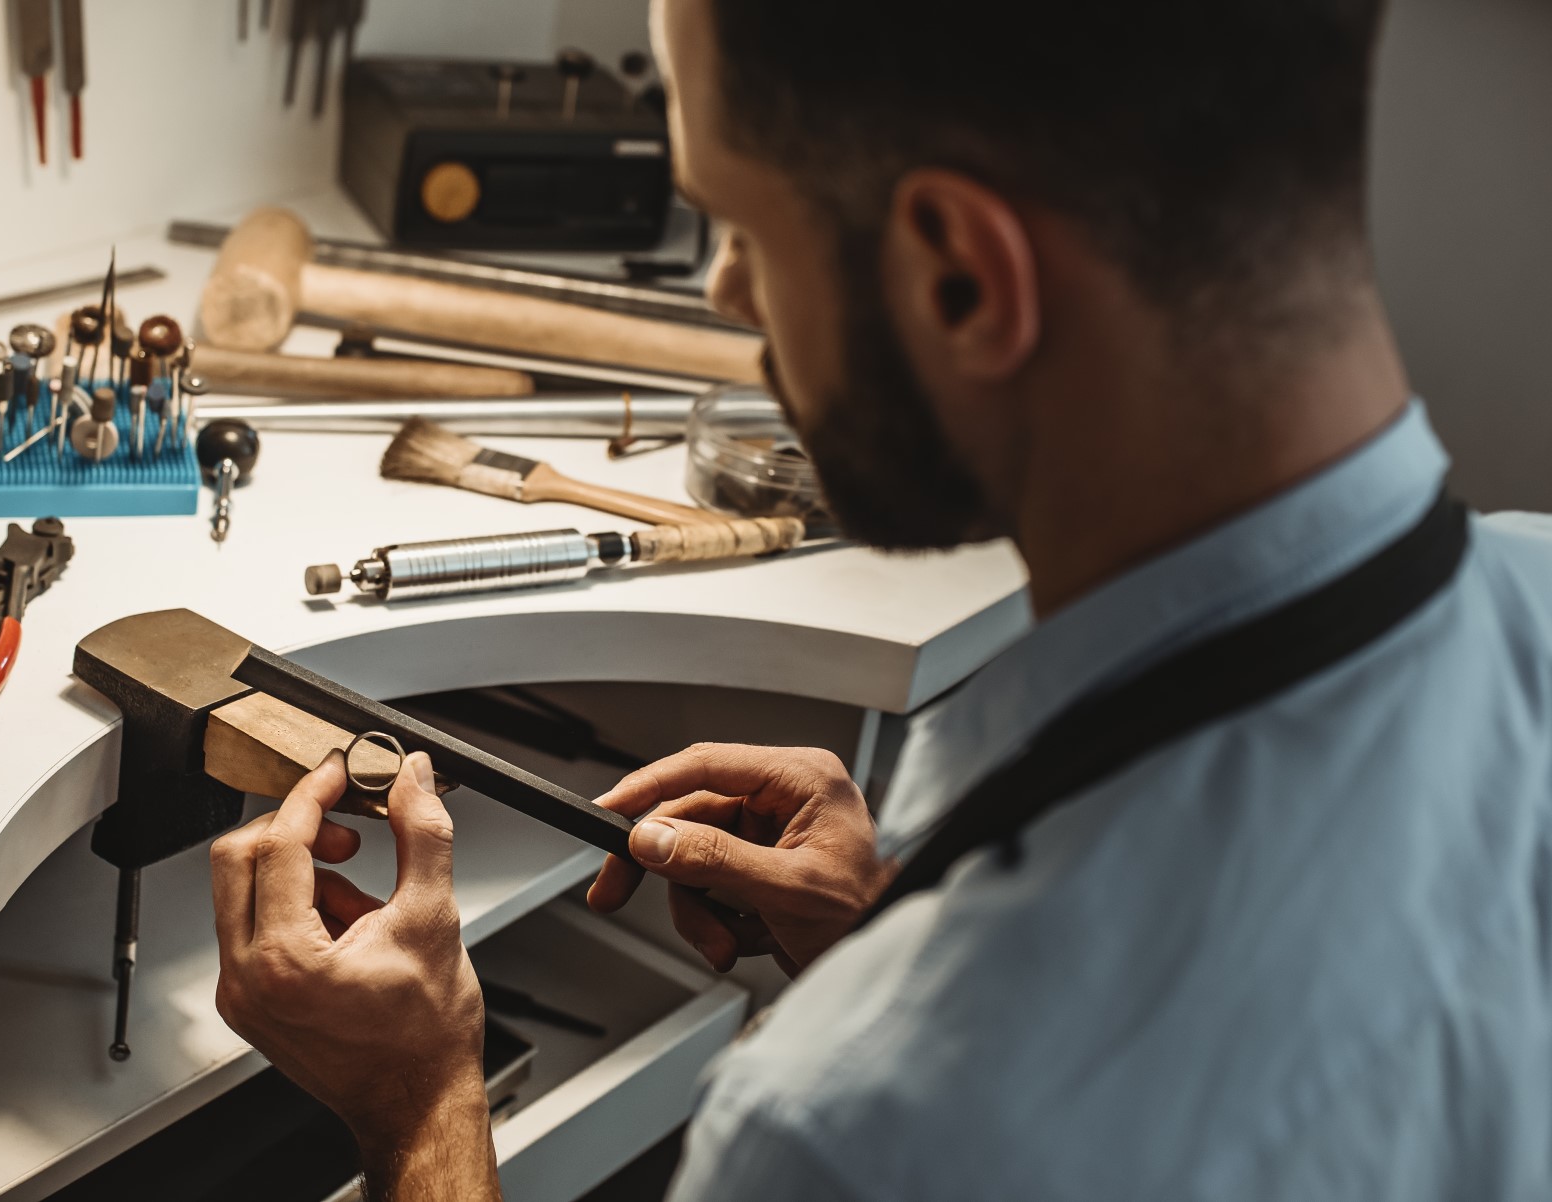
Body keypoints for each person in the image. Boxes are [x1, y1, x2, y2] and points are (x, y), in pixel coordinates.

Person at [207, 0, 1552, 1197]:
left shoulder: (858, 1132)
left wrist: (424, 1112)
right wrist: (899, 917)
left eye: (738, 223)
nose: (729, 292)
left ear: (960, 277)